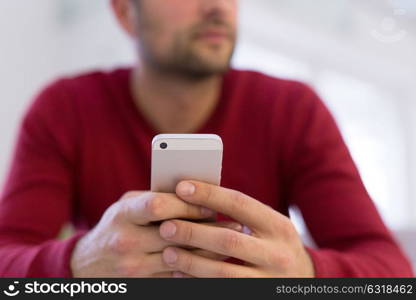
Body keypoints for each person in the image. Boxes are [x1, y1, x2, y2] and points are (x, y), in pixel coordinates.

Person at [0, 0, 413, 278]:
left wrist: (305, 273)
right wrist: (77, 261)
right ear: (126, 12)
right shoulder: (65, 108)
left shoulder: (294, 108)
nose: (217, 7)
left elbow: (391, 271)